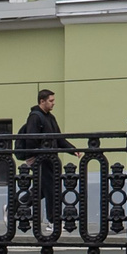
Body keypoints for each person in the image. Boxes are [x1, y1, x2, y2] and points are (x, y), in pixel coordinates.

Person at [20, 87, 75, 234]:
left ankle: (15, 206)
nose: (53, 103)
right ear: (42, 101)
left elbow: (58, 138)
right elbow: (31, 139)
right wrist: (37, 156)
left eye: (53, 100)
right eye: (51, 101)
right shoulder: (35, 117)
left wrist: (73, 150)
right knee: (51, 188)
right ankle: (53, 221)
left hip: (50, 159)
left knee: (42, 190)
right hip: (41, 159)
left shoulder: (50, 117)